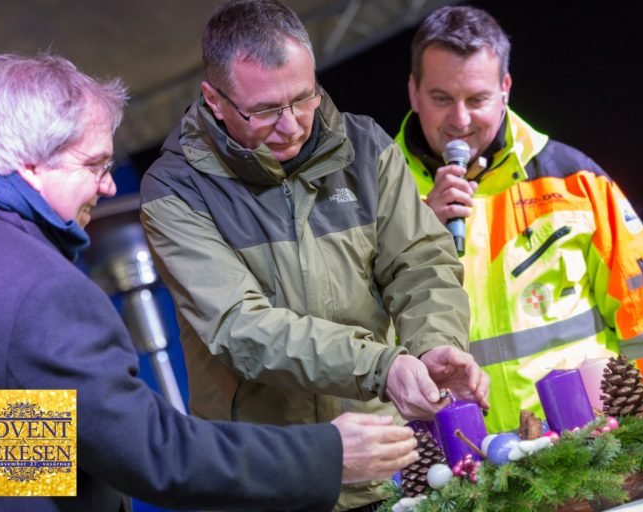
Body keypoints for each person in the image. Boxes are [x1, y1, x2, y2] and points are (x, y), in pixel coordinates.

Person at [0, 52, 422, 512]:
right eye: (95, 165)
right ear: (32, 164)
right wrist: (328, 456)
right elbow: (153, 454)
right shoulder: (43, 290)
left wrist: (74, 457)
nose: (109, 185)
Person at [139, 0, 489, 509]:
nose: (291, 125)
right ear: (214, 100)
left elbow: (421, 262)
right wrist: (381, 366)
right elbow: (240, 327)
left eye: (303, 98)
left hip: (391, 464)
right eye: (263, 111)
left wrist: (433, 345)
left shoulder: (365, 146)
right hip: (274, 479)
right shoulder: (176, 190)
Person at [396, 5, 643, 434]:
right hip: (456, 473)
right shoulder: (375, 200)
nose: (460, 120)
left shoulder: (577, 181)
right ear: (413, 91)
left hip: (592, 454)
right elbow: (344, 344)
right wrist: (410, 236)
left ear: (505, 88)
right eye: (441, 99)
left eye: (477, 99)